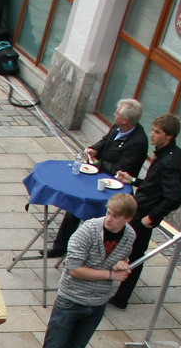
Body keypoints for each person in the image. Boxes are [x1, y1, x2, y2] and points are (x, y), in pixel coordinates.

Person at [19, 194, 140, 348]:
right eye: (108, 213)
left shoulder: (129, 236)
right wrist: (111, 275)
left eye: (115, 216)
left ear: (127, 219)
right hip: (71, 300)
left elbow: (124, 258)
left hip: (97, 303)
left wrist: (124, 263)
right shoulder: (88, 231)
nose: (109, 219)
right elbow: (74, 269)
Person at [46, 98, 151, 258]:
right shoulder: (118, 127)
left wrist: (97, 163)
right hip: (98, 176)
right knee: (75, 207)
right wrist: (94, 149)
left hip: (114, 186)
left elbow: (121, 169)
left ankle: (96, 255)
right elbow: (105, 140)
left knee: (103, 220)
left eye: (117, 114)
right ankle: (60, 247)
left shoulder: (138, 142)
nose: (114, 115)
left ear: (125, 120)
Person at [110, 114, 181, 308]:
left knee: (134, 253)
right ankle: (116, 290)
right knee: (127, 248)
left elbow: (173, 198)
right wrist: (133, 180)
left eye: (157, 132)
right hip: (141, 208)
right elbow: (155, 185)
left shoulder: (170, 160)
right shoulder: (164, 154)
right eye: (152, 129)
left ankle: (120, 297)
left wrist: (151, 217)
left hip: (143, 214)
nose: (152, 135)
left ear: (169, 136)